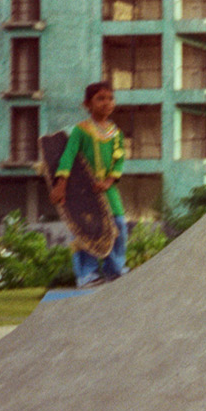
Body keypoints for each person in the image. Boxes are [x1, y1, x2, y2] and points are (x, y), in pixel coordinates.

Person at [50, 82, 128, 286]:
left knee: (118, 224)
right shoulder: (81, 130)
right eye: (100, 98)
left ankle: (115, 270)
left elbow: (119, 159)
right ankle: (87, 274)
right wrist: (61, 184)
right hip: (84, 191)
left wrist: (109, 181)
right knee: (86, 229)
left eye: (110, 98)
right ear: (87, 104)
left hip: (108, 190)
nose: (106, 103)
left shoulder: (116, 133)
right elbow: (68, 155)